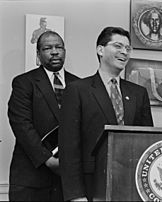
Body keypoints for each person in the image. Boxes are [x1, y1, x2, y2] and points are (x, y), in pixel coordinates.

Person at [59, 26, 154, 201]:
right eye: (118, 46)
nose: (124, 52)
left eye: (128, 48)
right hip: (91, 186)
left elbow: (147, 142)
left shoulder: (138, 93)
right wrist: (75, 195)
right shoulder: (77, 90)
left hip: (132, 185)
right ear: (100, 50)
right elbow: (68, 148)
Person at [7, 31, 79, 201]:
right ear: (38, 54)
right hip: (31, 178)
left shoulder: (79, 85)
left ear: (64, 51)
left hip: (67, 181)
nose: (54, 51)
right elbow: (21, 124)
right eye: (47, 48)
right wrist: (48, 159)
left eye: (58, 47)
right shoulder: (24, 82)